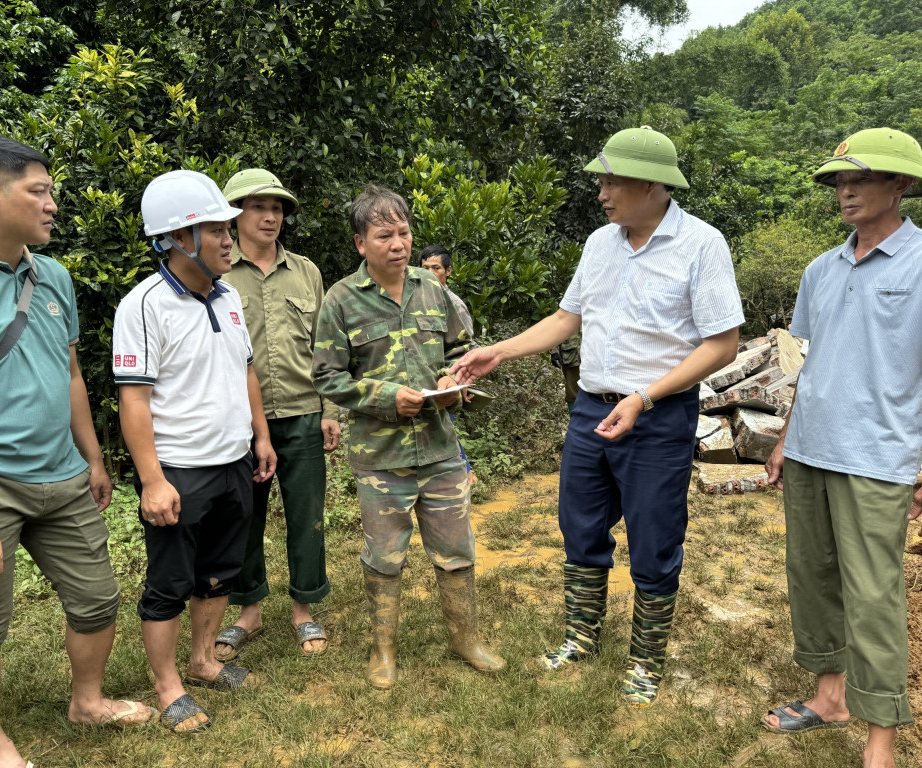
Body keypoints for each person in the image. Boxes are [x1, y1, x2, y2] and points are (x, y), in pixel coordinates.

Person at [451, 127, 743, 707]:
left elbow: (723, 344)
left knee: (655, 538)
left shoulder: (702, 245)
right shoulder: (600, 243)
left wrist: (646, 397)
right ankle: (581, 637)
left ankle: (645, 658)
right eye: (601, 181)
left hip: (657, 414)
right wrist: (499, 350)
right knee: (580, 528)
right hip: (590, 409)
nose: (602, 193)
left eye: (613, 181)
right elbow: (567, 319)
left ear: (654, 185)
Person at [0, 136, 153, 768]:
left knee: (98, 597)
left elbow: (68, 374)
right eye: (39, 191)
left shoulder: (54, 276)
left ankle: (89, 701)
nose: (52, 205)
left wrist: (94, 459)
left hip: (63, 475)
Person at [761, 128, 922, 768]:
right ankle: (829, 697)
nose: (846, 190)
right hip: (810, 450)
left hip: (877, 458)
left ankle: (880, 739)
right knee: (813, 579)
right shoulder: (820, 269)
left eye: (860, 179)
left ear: (902, 185)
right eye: (839, 180)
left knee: (874, 595)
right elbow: (815, 363)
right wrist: (784, 439)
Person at [312, 184, 504, 689]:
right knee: (384, 556)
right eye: (384, 235)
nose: (397, 244)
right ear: (361, 243)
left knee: (456, 550)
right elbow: (328, 377)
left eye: (403, 232)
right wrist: (383, 398)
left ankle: (466, 639)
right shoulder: (340, 300)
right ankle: (383, 651)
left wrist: (452, 382)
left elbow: (464, 351)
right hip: (381, 457)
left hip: (440, 449)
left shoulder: (432, 288)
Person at [113, 169, 277, 732]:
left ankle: (203, 660)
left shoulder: (228, 297)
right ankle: (168, 687)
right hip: (179, 469)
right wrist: (153, 480)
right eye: (218, 230)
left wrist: (259, 436)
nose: (231, 239)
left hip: (233, 462)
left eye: (229, 230)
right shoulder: (144, 306)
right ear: (180, 239)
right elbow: (133, 402)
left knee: (218, 573)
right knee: (169, 584)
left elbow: (246, 370)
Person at [212, 168, 339, 662]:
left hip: (305, 413)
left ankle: (304, 608)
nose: (270, 216)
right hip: (240, 422)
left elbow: (326, 348)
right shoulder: (216, 273)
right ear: (234, 215)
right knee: (243, 516)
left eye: (278, 207)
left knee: (307, 515)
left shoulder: (306, 272)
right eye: (258, 206)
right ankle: (248, 609)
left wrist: (330, 409)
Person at [419, 243, 478, 485]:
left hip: (447, 380)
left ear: (448, 271)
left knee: (444, 429)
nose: (430, 272)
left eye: (435, 268)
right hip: (425, 381)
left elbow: (467, 347)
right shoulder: (417, 299)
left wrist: (462, 380)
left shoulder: (455, 304)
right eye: (424, 268)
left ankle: (465, 475)